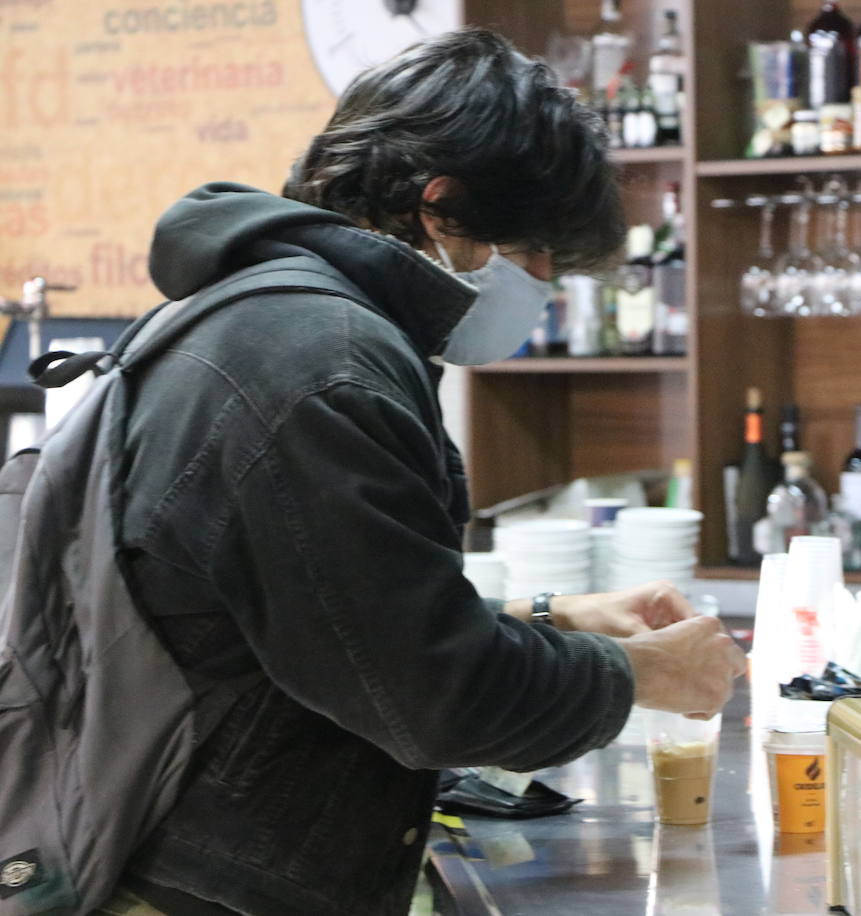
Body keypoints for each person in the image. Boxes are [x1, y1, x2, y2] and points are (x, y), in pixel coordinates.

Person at [96, 28, 746, 916]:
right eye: (535, 249)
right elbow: (434, 696)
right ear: (440, 208)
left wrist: (549, 615)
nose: (545, 280)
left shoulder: (271, 318)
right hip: (205, 883)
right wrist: (641, 676)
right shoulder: (321, 361)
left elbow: (326, 612)